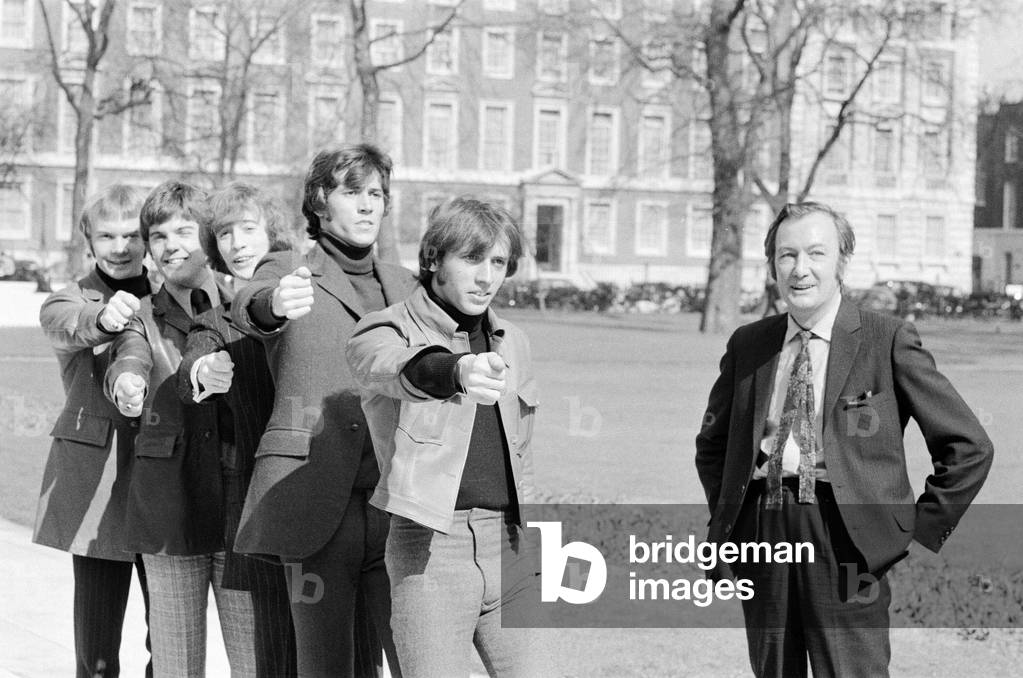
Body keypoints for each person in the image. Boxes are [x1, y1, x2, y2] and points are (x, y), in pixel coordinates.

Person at [694, 201, 994, 678]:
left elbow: (968, 446)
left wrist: (915, 531)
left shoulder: (887, 339)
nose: (801, 268)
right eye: (787, 255)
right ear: (772, 265)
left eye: (816, 253)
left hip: (848, 539)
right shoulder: (749, 344)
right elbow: (712, 445)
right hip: (764, 534)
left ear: (842, 262)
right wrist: (730, 520)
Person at [231, 144, 416, 677]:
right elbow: (252, 304)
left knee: (415, 660)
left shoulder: (406, 285)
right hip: (313, 496)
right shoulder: (288, 268)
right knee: (324, 667)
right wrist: (274, 305)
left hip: (398, 501)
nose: (366, 206)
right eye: (351, 192)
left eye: (376, 194)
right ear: (319, 202)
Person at [347, 196, 546, 678]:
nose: (487, 278)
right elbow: (390, 366)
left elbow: (522, 455)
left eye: (498, 262)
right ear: (434, 258)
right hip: (431, 553)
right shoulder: (384, 328)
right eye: (472, 259)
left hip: (513, 549)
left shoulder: (513, 341)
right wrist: (457, 370)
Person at [104, 181, 258, 677]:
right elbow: (128, 357)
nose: (170, 246)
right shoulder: (141, 316)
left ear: (208, 238)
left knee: (256, 662)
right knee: (175, 667)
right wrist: (127, 382)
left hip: (242, 515)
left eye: (183, 231)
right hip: (168, 511)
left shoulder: (249, 304)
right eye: (157, 236)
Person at [175, 182, 298, 677]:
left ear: (272, 234)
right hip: (256, 503)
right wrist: (203, 374)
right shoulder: (216, 320)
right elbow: (191, 370)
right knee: (268, 646)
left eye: (248, 229)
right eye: (225, 233)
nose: (237, 243)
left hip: (325, 495)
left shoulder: (307, 298)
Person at [33, 183, 153, 678]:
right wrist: (105, 316)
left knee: (168, 639)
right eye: (107, 236)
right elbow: (69, 325)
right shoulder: (68, 300)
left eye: (131, 235)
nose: (121, 247)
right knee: (97, 654)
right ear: (89, 241)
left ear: (147, 239)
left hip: (163, 478)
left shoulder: (176, 298)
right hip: (98, 484)